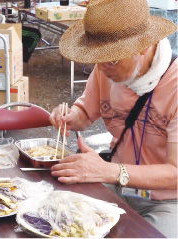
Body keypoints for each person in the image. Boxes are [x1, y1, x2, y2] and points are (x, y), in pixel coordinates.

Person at [49, 0, 177, 237]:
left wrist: (110, 171)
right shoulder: (104, 69)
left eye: (112, 58)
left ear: (144, 46)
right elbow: (85, 114)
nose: (101, 67)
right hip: (118, 186)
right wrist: (69, 116)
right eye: (96, 57)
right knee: (58, 218)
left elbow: (175, 173)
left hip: (168, 201)